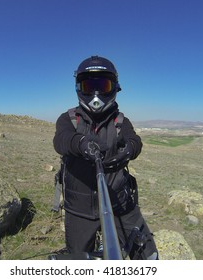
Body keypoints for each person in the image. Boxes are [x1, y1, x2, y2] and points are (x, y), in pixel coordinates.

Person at [53, 55, 158, 259]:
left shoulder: (120, 120)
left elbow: (135, 141)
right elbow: (61, 140)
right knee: (79, 259)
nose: (96, 93)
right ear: (79, 88)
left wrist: (128, 150)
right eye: (89, 86)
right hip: (79, 207)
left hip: (119, 200)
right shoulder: (68, 119)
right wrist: (81, 144)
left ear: (114, 87)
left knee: (148, 255)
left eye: (103, 85)